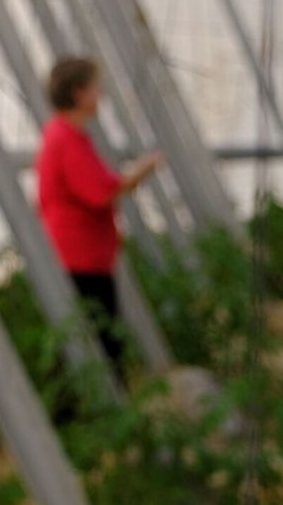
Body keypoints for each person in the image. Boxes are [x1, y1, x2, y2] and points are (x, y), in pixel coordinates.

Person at [35, 57, 162, 364]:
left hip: (82, 254)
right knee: (101, 342)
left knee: (93, 338)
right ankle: (102, 393)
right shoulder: (66, 138)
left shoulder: (65, 135)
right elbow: (100, 192)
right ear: (79, 93)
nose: (101, 95)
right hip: (79, 256)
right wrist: (140, 172)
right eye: (95, 88)